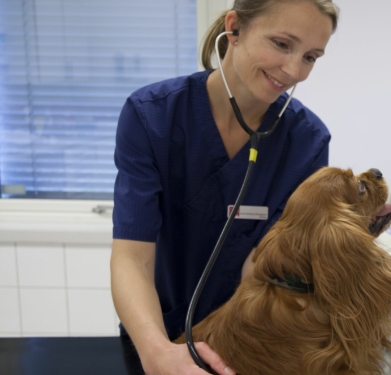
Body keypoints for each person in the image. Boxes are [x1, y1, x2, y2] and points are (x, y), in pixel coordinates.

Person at [109, 1, 339, 374]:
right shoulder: (152, 116)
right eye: (282, 44)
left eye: (311, 56)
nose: (294, 70)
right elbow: (132, 258)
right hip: (154, 338)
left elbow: (266, 267)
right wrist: (157, 354)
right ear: (234, 28)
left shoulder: (307, 141)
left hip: (248, 346)